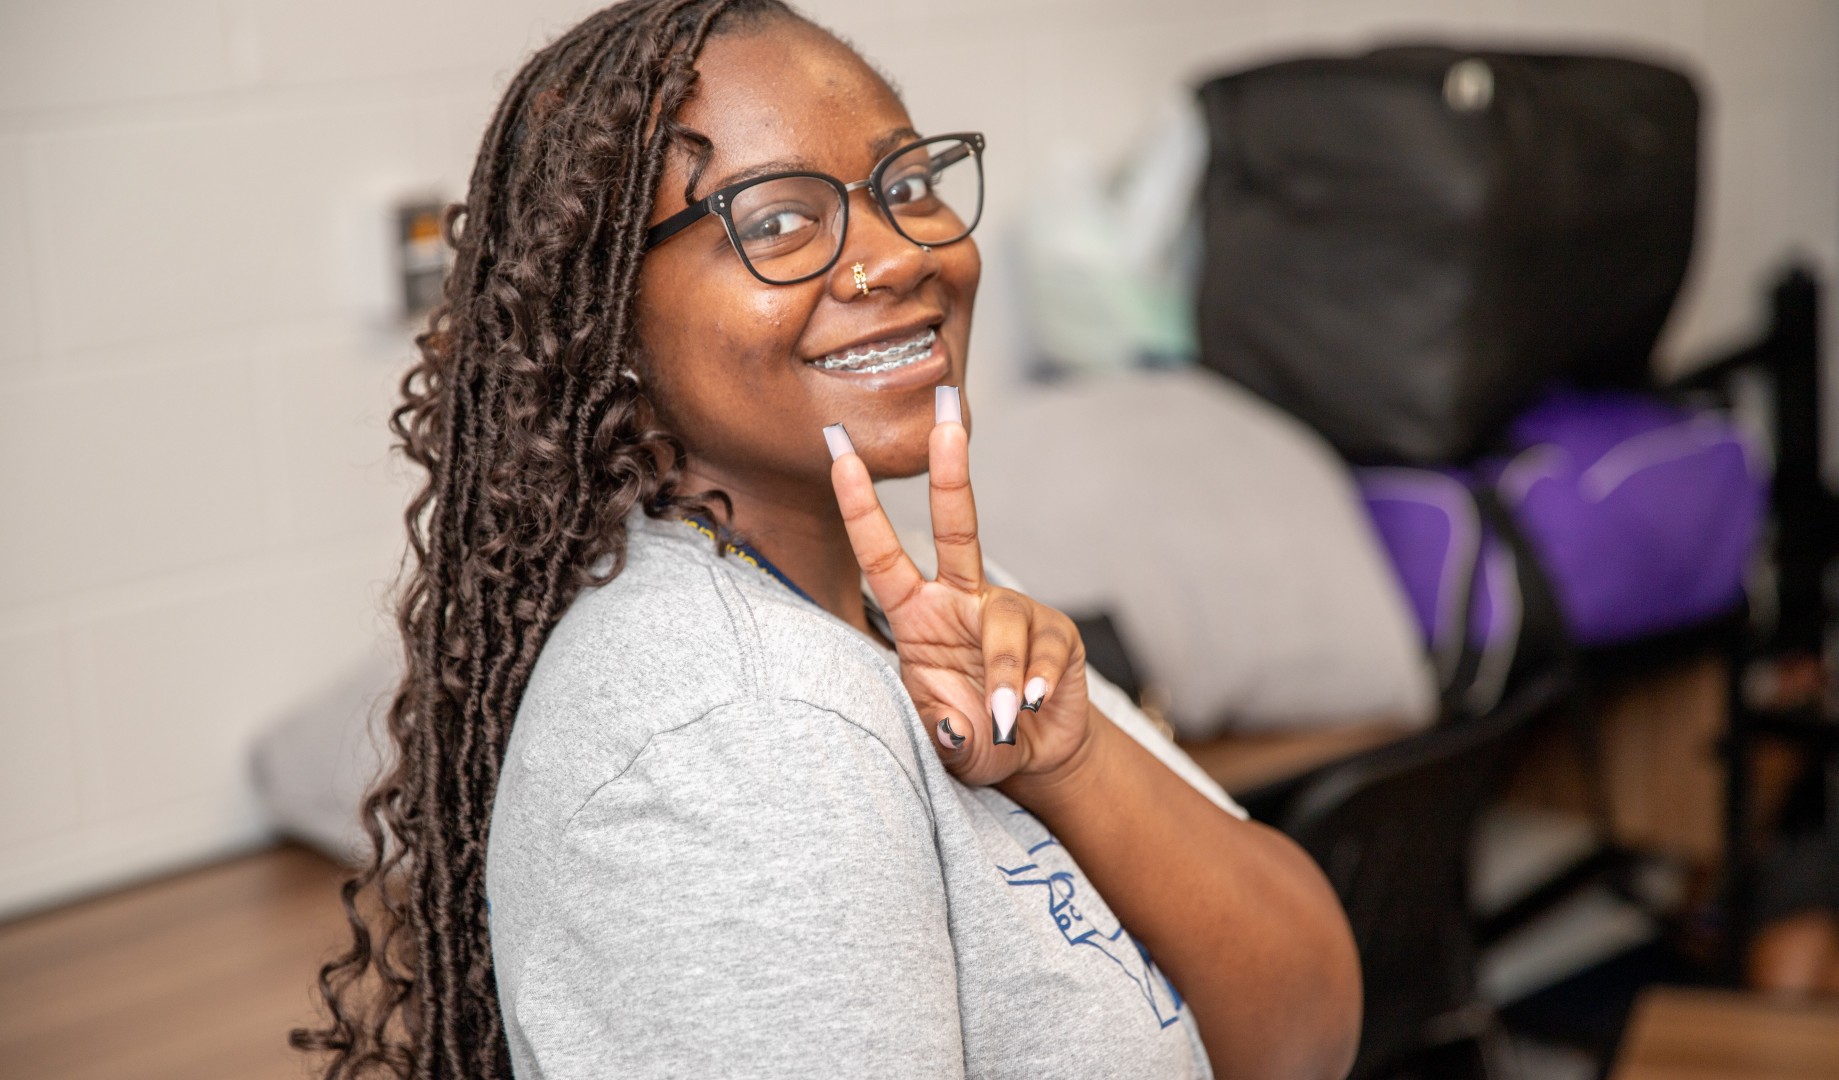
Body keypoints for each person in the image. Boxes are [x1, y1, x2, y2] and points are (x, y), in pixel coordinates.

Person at [297, 1, 1361, 1077]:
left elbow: (1306, 1029)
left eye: (906, 186)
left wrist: (1071, 762)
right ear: (606, 320)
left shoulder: (915, 606)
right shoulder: (737, 730)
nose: (897, 253)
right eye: (775, 222)